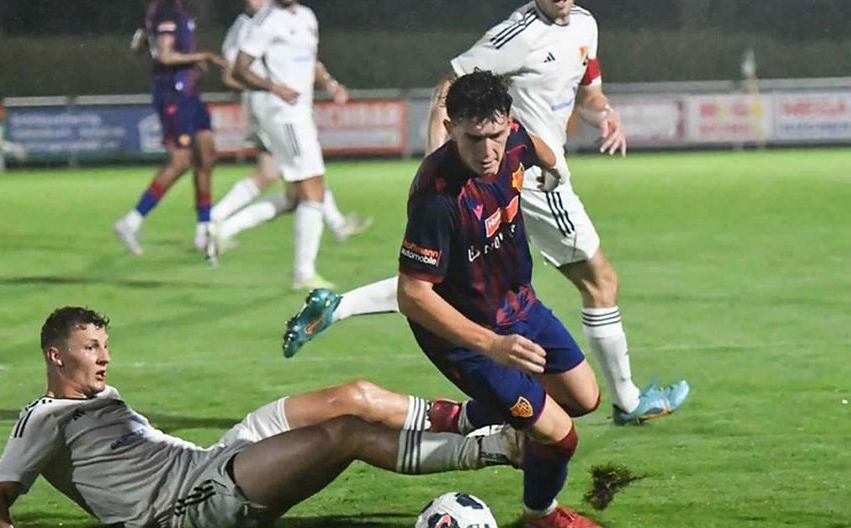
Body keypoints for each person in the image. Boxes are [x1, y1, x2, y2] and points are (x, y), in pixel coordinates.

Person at [283, 0, 689, 427]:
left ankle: (340, 306)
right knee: (600, 280)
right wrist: (437, 156)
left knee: (453, 277)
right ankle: (626, 401)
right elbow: (450, 85)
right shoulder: (519, 33)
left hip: (538, 165)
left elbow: (589, 97)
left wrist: (605, 116)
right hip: (523, 178)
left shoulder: (586, 26)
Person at [0, 306, 522, 528]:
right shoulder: (43, 418)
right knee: (345, 434)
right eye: (91, 348)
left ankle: (473, 415)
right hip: (190, 505)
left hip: (211, 459)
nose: (105, 357)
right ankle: (499, 448)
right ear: (55, 356)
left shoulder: (101, 396)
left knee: (348, 396)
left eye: (105, 346)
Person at [391, 70, 601, 528]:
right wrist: (490, 346)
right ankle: (539, 514)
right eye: (473, 138)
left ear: (507, 123)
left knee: (585, 397)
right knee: (560, 437)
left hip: (518, 304)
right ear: (450, 130)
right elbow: (411, 294)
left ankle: (467, 415)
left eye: (496, 136)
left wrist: (556, 173)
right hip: (466, 338)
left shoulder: (514, 138)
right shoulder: (436, 198)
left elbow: (538, 150)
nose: (488, 152)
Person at [211, 0, 371, 257]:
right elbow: (234, 72)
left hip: (293, 110)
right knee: (307, 182)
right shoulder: (252, 24)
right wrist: (275, 88)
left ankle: (221, 227)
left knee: (292, 187)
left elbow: (311, 60)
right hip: (276, 111)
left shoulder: (306, 16)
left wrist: (330, 85)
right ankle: (307, 265)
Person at [113, 0, 227, 262]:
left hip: (189, 94)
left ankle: (203, 231)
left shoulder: (166, 11)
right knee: (182, 161)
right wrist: (203, 56)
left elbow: (139, 44)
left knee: (207, 155)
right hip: (174, 97)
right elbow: (165, 55)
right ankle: (131, 222)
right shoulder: (166, 11)